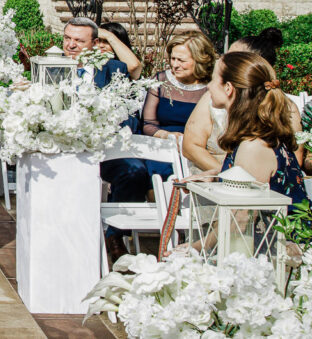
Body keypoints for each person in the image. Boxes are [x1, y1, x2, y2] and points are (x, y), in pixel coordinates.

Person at [64, 16, 145, 262]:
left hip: (105, 149)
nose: (71, 45)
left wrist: (110, 37)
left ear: (94, 43)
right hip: (65, 150)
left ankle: (115, 235)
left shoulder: (113, 69)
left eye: (79, 40)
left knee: (135, 170)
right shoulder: (50, 65)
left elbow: (135, 67)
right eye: (67, 38)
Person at [206, 51, 305, 209]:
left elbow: (241, 221)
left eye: (213, 79)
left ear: (228, 88)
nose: (208, 85)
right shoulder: (259, 138)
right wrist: (214, 177)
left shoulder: (253, 147)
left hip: (282, 234)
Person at [141, 32, 216, 179]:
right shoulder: (161, 81)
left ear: (199, 60)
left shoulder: (212, 87)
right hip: (164, 145)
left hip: (200, 147)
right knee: (158, 172)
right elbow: (148, 124)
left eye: (181, 60)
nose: (175, 65)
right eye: (173, 59)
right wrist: (167, 135)